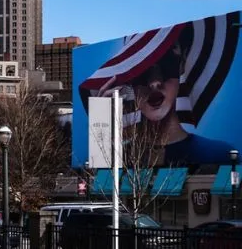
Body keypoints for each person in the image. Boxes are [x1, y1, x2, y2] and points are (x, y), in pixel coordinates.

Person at [80, 12, 239, 165]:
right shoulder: (119, 157)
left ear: (182, 63)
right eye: (141, 68)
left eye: (167, 62)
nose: (155, 82)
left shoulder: (218, 154)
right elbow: (99, 179)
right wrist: (102, 121)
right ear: (129, 78)